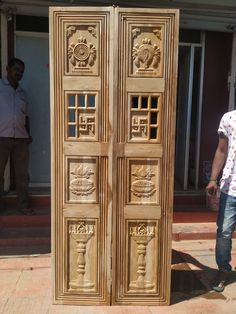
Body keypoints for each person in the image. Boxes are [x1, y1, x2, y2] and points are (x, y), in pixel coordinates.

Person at [206, 109, 236, 292]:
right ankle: (223, 270)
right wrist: (212, 179)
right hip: (230, 187)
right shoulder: (228, 117)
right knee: (224, 232)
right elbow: (222, 149)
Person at [0, 57, 34, 215]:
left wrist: (28, 134)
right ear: (7, 69)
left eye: (21, 71)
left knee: (22, 175)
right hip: (2, 137)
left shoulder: (23, 94)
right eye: (16, 70)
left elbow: (26, 116)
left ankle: (23, 206)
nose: (19, 73)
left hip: (21, 139)